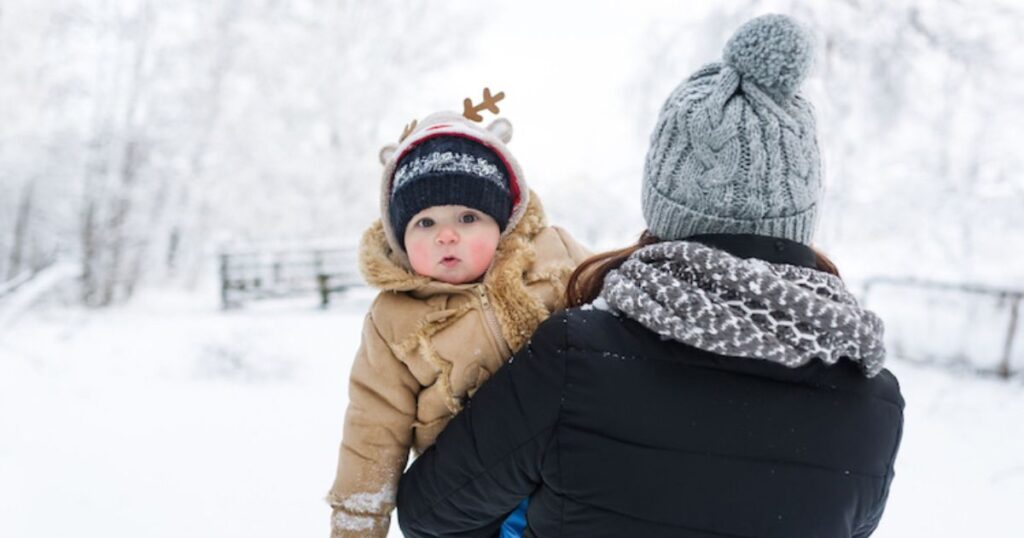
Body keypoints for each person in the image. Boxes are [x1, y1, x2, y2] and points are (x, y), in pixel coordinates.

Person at [396, 14, 904, 538]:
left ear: (665, 203)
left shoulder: (576, 357)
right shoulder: (875, 402)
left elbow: (430, 514)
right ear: (801, 209)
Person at [325, 92, 591, 537]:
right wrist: (358, 521)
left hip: (571, 463)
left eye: (468, 217)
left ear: (503, 220)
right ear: (399, 238)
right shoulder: (393, 319)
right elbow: (373, 427)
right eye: (424, 223)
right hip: (472, 491)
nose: (446, 236)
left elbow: (619, 306)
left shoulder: (553, 255)